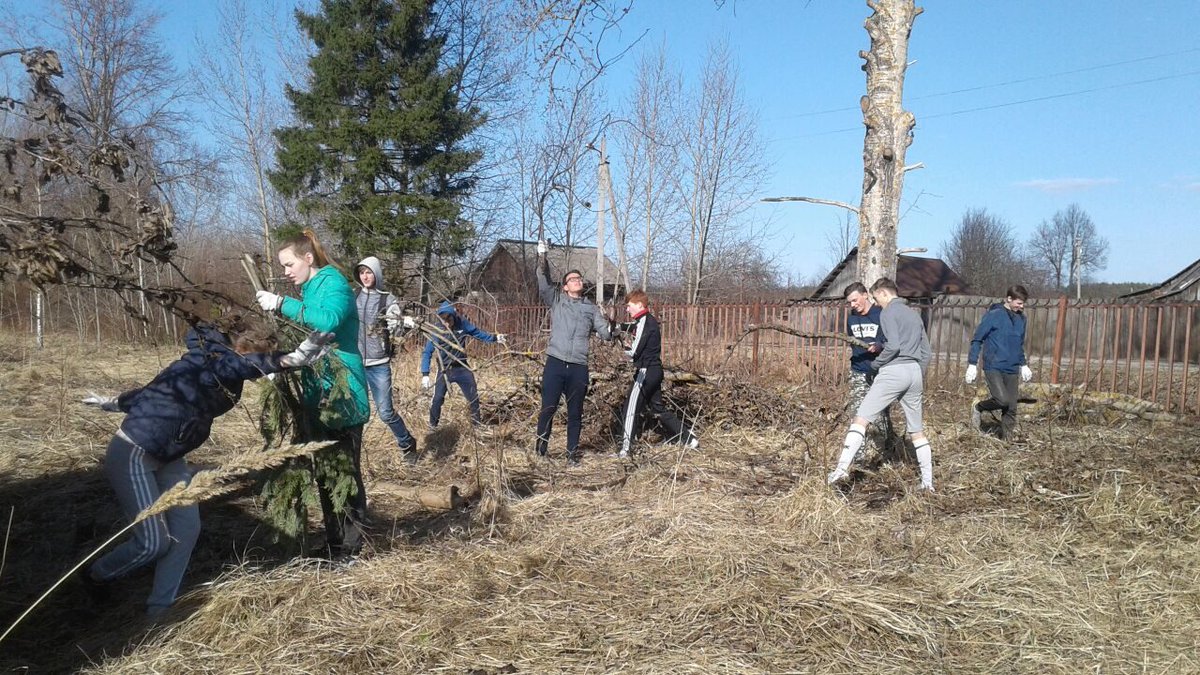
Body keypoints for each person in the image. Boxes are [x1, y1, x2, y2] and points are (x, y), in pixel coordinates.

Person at [81, 322, 331, 618]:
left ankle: (160, 609)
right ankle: (95, 575)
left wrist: (111, 403)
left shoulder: (208, 362)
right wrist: (290, 359)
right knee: (153, 544)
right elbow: (237, 366)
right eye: (257, 358)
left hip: (170, 456)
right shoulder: (214, 362)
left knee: (186, 530)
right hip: (134, 452)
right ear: (242, 349)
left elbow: (152, 393)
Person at [256, 230, 372, 555]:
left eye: (289, 264)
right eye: (282, 266)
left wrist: (282, 304)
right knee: (324, 474)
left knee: (345, 475)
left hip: (343, 397)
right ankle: (335, 543)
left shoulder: (334, 284)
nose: (285, 272)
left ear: (308, 258)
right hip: (318, 397)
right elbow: (312, 343)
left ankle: (351, 548)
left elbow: (329, 321)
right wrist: (284, 361)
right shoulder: (310, 289)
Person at [827, 278, 935, 492]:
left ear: (884, 293)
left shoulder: (888, 312)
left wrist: (876, 366)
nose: (877, 303)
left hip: (893, 371)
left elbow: (893, 346)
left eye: (877, 298)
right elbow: (927, 353)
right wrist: (916, 371)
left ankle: (840, 470)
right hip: (914, 372)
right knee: (917, 431)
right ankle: (927, 483)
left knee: (861, 419)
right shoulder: (914, 315)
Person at [534, 238, 613, 465]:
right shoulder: (557, 301)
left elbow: (605, 332)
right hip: (555, 363)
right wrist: (542, 257)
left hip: (579, 366)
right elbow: (543, 283)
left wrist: (614, 329)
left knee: (575, 412)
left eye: (579, 279)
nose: (577, 281)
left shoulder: (590, 308)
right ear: (565, 287)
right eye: (572, 279)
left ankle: (571, 456)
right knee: (548, 408)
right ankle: (540, 452)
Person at [615, 290, 699, 458]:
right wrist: (619, 327)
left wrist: (620, 344)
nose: (627, 309)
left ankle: (625, 449)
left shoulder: (644, 323)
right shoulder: (646, 320)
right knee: (658, 409)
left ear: (640, 305)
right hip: (655, 371)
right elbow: (633, 327)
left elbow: (634, 352)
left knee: (630, 408)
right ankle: (689, 438)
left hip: (645, 372)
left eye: (629, 306)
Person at [354, 255, 418, 460]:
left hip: (379, 364)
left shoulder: (387, 299)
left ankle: (407, 443)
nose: (365, 276)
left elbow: (396, 331)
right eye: (362, 272)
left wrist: (400, 324)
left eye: (369, 272)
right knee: (355, 412)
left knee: (385, 413)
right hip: (355, 362)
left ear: (376, 274)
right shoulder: (353, 296)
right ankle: (353, 452)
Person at [420, 300, 505, 430]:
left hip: (462, 367)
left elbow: (477, 333)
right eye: (443, 320)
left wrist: (495, 338)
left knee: (473, 397)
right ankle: (433, 425)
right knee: (437, 399)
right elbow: (427, 352)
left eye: (449, 319)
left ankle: (476, 426)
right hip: (445, 370)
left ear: (453, 316)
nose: (447, 323)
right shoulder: (437, 330)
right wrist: (425, 374)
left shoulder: (462, 324)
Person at [965, 285, 1032, 440]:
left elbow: (1018, 344)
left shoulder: (1021, 319)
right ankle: (979, 407)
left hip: (1012, 367)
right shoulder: (993, 315)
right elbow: (977, 339)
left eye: (1023, 303)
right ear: (1009, 299)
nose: (1022, 306)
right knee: (1002, 400)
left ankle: (1007, 440)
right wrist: (972, 364)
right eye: (1019, 303)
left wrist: (1023, 364)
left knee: (1011, 407)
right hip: (994, 365)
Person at [844, 282, 894, 461]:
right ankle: (859, 457)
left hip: (880, 372)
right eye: (849, 302)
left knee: (881, 416)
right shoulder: (852, 319)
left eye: (855, 300)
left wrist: (880, 346)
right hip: (858, 371)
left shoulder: (881, 314)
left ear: (865, 295)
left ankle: (885, 453)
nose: (852, 305)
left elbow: (891, 341)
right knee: (857, 413)